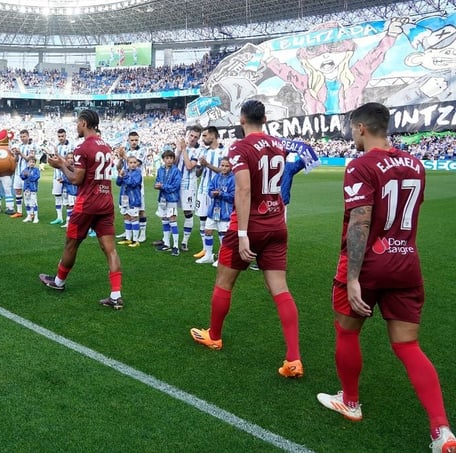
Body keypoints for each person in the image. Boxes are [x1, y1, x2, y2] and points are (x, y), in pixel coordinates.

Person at [315, 102, 456, 452]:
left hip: (370, 264)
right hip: (406, 262)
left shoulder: (360, 165)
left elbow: (361, 220)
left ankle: (350, 401)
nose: (351, 134)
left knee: (347, 331)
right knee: (408, 345)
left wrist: (352, 277)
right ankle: (442, 431)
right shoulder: (416, 164)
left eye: (352, 128)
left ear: (361, 127)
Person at [190, 99, 303, 379]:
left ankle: (215, 336)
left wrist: (242, 234)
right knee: (280, 289)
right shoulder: (278, 145)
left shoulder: (240, 147)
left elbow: (243, 190)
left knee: (224, 281)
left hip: (250, 225)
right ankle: (294, 358)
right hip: (276, 222)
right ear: (264, 119)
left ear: (241, 120)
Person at [39, 109, 124, 310]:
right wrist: (64, 162)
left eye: (78, 123)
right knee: (110, 249)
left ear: (84, 123)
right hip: (105, 201)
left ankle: (59, 282)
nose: (76, 126)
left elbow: (77, 179)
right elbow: (90, 172)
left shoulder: (82, 147)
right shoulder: (106, 146)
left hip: (87, 203)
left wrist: (60, 166)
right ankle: (116, 295)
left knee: (71, 244)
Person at [193, 126, 225, 262]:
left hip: (218, 192)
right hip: (203, 190)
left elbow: (225, 172)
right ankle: (206, 251)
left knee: (220, 223)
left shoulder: (224, 151)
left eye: (205, 135)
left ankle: (222, 254)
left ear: (213, 135)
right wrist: (200, 166)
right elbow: (197, 173)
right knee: (203, 220)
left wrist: (207, 165)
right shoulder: (202, 151)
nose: (203, 138)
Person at [198, 156, 234, 266]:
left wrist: (221, 194)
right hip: (213, 210)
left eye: (227, 166)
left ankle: (221, 258)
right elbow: (210, 189)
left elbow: (233, 196)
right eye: (222, 165)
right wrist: (212, 193)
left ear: (231, 167)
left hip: (225, 211)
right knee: (207, 231)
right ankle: (208, 255)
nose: (224, 168)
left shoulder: (234, 179)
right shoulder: (216, 177)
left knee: (223, 234)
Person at [116, 131, 148, 242]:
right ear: (128, 141)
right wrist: (120, 158)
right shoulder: (126, 151)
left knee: (141, 209)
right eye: (132, 140)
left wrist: (124, 156)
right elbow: (119, 167)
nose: (134, 142)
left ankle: (142, 232)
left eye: (136, 140)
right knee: (126, 210)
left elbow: (135, 163)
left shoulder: (142, 151)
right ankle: (128, 232)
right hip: (125, 186)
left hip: (137, 185)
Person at [153, 147, 182, 256]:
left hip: (172, 199)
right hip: (162, 199)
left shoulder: (176, 171)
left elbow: (175, 186)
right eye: (167, 158)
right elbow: (157, 181)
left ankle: (176, 246)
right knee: (164, 220)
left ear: (173, 159)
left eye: (171, 158)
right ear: (163, 159)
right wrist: (156, 185)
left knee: (172, 220)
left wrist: (162, 186)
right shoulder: (160, 170)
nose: (169, 160)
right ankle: (166, 244)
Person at [177, 125, 201, 251]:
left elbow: (189, 166)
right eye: (191, 135)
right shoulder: (182, 147)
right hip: (176, 184)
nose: (192, 138)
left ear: (198, 139)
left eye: (196, 137)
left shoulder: (198, 151)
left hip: (188, 186)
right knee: (170, 211)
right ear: (188, 135)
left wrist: (184, 150)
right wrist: (178, 150)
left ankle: (184, 241)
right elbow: (174, 163)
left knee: (187, 213)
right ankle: (166, 240)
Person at [115, 155, 143, 247]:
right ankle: (128, 238)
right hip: (124, 199)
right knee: (126, 217)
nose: (133, 164)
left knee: (133, 218)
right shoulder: (125, 171)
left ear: (137, 163)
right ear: (127, 164)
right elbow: (118, 183)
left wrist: (125, 176)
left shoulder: (138, 173)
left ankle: (135, 240)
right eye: (131, 163)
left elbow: (133, 183)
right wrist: (120, 176)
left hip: (133, 199)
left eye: (134, 162)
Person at [49, 128, 73, 225]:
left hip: (66, 176)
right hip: (56, 175)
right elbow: (55, 160)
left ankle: (68, 220)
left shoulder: (70, 146)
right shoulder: (57, 146)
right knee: (57, 196)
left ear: (65, 135)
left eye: (62, 136)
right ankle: (59, 217)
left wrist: (58, 155)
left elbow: (69, 161)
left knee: (67, 198)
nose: (61, 138)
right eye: (59, 136)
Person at [10, 129, 34, 219]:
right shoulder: (19, 146)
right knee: (18, 191)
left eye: (24, 136)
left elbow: (29, 159)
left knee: (27, 193)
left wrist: (20, 153)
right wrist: (15, 154)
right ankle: (19, 211)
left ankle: (31, 213)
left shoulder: (31, 146)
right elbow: (15, 160)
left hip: (26, 172)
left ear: (28, 136)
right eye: (21, 137)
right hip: (17, 172)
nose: (22, 138)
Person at [20, 155, 40, 223]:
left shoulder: (36, 170)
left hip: (33, 189)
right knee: (27, 203)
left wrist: (28, 175)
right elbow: (22, 176)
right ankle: (29, 216)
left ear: (35, 163)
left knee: (34, 203)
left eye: (33, 162)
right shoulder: (25, 169)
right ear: (28, 163)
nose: (32, 163)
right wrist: (24, 175)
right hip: (26, 189)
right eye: (30, 162)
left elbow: (36, 178)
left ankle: (36, 217)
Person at [61, 152, 78, 229]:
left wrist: (64, 180)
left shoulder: (75, 168)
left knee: (73, 206)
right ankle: (68, 222)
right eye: (69, 158)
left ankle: (74, 223)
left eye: (72, 158)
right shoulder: (65, 168)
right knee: (67, 206)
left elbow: (74, 179)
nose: (70, 160)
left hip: (72, 191)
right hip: (65, 190)